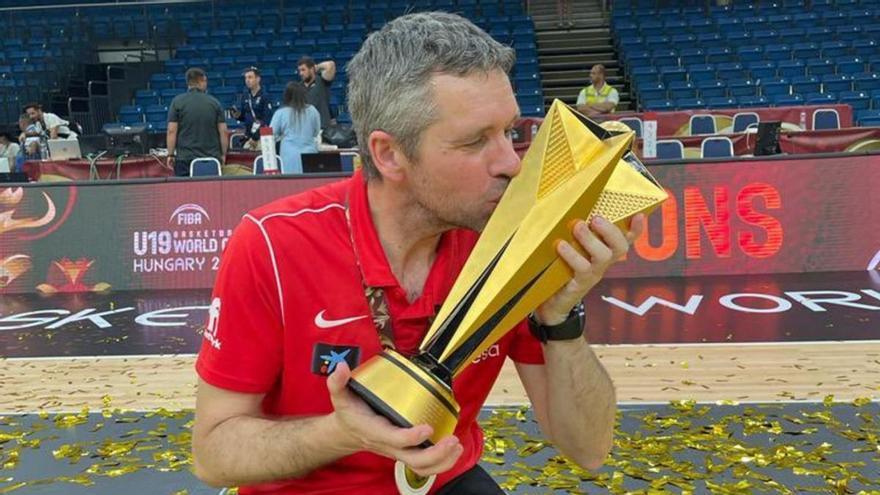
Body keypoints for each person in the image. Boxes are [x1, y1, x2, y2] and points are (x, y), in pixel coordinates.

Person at [192, 12, 643, 494]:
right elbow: (213, 454)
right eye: (475, 141)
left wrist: (560, 317)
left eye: (510, 132)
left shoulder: (509, 238)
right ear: (388, 154)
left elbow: (589, 450)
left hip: (448, 480)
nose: (511, 164)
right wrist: (342, 433)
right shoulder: (272, 244)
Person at [166, 68, 228, 177]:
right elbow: (223, 131)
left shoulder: (177, 102)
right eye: (205, 81)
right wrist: (223, 154)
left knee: (184, 192)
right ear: (201, 81)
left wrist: (170, 154)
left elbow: (172, 131)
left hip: (185, 159)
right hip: (211, 158)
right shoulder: (215, 103)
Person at [268, 82, 321, 174]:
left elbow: (270, 135)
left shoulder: (280, 113)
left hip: (289, 156)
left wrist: (280, 137)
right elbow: (316, 132)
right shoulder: (313, 110)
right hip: (310, 154)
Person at [231, 66, 273, 150]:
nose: (247, 80)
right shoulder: (245, 96)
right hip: (249, 137)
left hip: (261, 138)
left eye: (250, 77)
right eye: (246, 78)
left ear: (258, 79)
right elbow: (245, 117)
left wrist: (255, 137)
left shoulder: (265, 96)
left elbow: (267, 120)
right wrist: (238, 116)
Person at [298, 55, 336, 129]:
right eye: (299, 70)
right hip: (307, 129)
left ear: (312, 69)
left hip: (323, 127)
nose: (300, 73)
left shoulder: (322, 81)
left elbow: (331, 65)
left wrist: (316, 67)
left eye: (303, 70)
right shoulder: (298, 87)